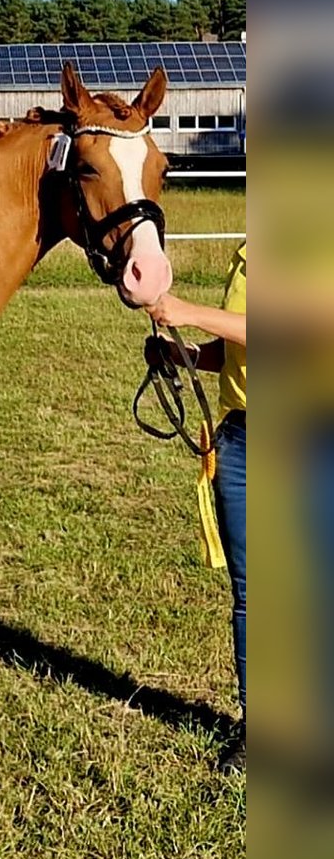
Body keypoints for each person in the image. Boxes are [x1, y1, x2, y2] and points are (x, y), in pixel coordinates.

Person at [144, 242, 246, 774]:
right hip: (242, 441)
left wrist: (188, 312)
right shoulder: (248, 254)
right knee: (251, 594)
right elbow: (236, 349)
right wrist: (184, 353)